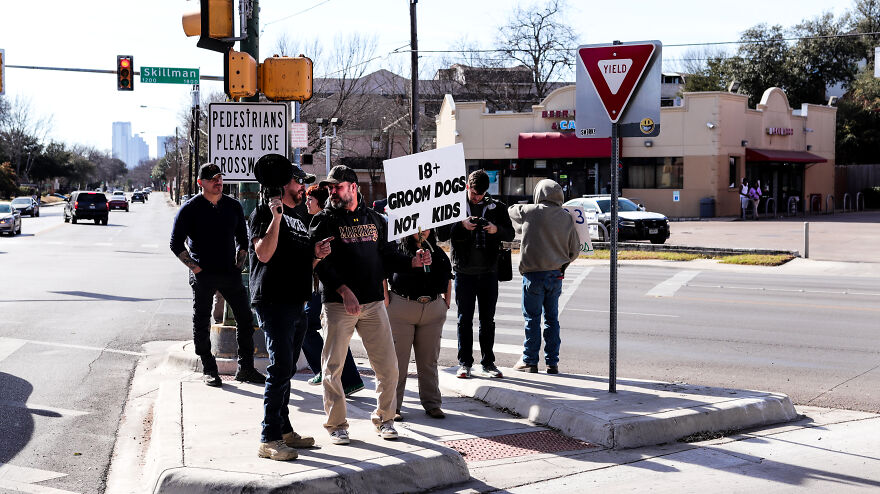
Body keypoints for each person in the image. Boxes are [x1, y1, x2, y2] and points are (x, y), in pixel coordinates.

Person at [309, 165, 431, 445]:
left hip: (373, 303)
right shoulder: (324, 221)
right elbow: (320, 265)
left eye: (337, 187)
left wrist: (412, 261)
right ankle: (337, 424)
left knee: (388, 367)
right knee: (332, 368)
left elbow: (389, 256)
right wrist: (343, 290)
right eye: (329, 188)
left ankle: (386, 419)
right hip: (338, 305)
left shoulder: (376, 219)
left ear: (353, 187)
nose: (332, 192)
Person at [248, 154, 329, 461]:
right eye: (298, 182)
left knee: (288, 368)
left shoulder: (303, 219)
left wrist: (317, 254)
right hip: (273, 300)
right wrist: (276, 218)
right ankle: (268, 438)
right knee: (279, 367)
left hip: (298, 301)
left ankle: (284, 430)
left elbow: (304, 263)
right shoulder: (263, 212)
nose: (303, 188)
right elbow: (264, 254)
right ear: (284, 185)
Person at [170, 163, 264, 387]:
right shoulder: (190, 209)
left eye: (220, 178)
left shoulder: (233, 206)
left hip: (229, 273)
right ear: (200, 182)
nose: (218, 182)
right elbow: (175, 243)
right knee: (201, 321)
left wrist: (239, 261)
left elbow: (243, 238)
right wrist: (196, 269)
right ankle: (209, 368)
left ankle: (246, 368)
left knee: (245, 318)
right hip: (203, 275)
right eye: (213, 179)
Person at [437, 169, 514, 379]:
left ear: (486, 191)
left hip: (489, 271)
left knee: (488, 320)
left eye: (480, 195)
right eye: (473, 193)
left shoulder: (496, 207)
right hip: (463, 271)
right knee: (464, 319)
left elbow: (511, 233)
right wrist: (460, 224)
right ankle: (464, 363)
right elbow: (441, 234)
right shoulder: (455, 207)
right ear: (466, 187)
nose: (476, 198)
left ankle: (488, 362)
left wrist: (494, 229)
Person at [508, 179, 580, 374]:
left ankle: (530, 361)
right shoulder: (566, 217)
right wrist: (562, 265)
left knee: (532, 319)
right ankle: (552, 362)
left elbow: (511, 210)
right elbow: (575, 250)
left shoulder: (529, 211)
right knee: (552, 320)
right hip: (555, 275)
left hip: (533, 275)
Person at [301, 184, 365, 396]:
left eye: (310, 200)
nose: (306, 203)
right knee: (332, 336)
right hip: (321, 286)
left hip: (326, 287)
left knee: (306, 326)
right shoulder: (316, 221)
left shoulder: (327, 222)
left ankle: (331, 372)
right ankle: (348, 379)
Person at [385, 228, 452, 421]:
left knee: (429, 361)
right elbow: (383, 272)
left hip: (432, 309)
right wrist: (386, 300)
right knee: (398, 362)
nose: (423, 230)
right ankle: (393, 406)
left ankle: (432, 404)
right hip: (401, 308)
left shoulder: (437, 252)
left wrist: (445, 303)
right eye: (417, 226)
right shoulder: (398, 251)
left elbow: (448, 277)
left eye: (427, 226)